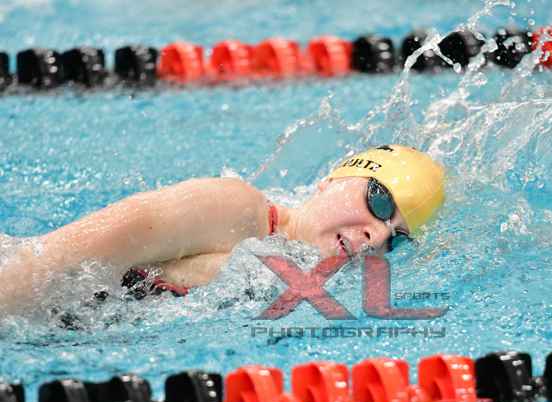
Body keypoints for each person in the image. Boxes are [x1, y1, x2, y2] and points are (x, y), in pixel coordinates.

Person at [0, 145, 445, 316]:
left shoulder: (292, 280)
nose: (377, 236)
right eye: (380, 201)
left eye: (395, 238)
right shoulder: (234, 208)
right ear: (331, 180)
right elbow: (49, 260)